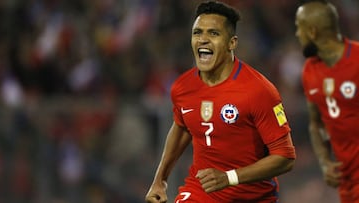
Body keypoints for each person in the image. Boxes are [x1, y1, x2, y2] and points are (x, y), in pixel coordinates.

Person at [145, 1, 296, 202]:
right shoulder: (182, 87)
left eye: (213, 33)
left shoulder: (259, 90)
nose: (203, 39)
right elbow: (182, 127)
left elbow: (285, 158)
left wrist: (229, 177)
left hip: (253, 197)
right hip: (202, 192)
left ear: (231, 43)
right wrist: (160, 180)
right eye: (197, 32)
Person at [295, 1, 359, 202]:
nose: (297, 34)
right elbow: (316, 123)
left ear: (312, 31)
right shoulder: (310, 71)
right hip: (346, 183)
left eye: (299, 27)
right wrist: (324, 162)